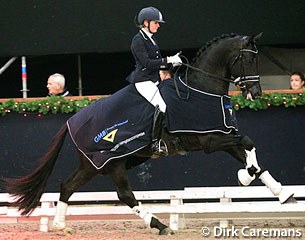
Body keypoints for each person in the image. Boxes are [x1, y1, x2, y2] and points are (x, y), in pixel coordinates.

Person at [126, 6, 182, 155]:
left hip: (154, 78)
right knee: (161, 106)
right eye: (156, 23)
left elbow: (157, 62)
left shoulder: (150, 38)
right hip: (143, 81)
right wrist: (168, 60)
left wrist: (170, 64)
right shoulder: (138, 40)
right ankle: (155, 144)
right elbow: (147, 63)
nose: (158, 25)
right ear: (146, 22)